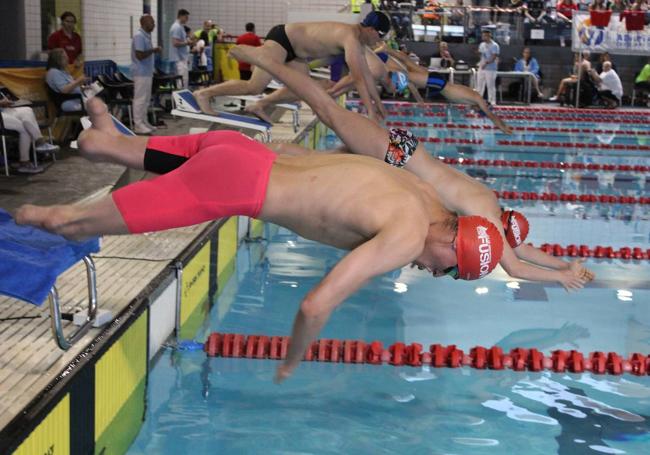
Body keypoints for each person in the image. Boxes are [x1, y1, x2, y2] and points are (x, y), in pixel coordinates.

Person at [15, 97, 505, 382]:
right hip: (234, 185)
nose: (434, 273)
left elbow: (325, 162)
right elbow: (316, 306)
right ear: (451, 247)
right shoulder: (406, 235)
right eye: (448, 270)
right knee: (64, 222)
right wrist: (292, 361)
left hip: (242, 152)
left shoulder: (418, 188)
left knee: (102, 146)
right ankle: (21, 213)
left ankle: (101, 123)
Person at [230, 43, 595, 291]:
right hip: (395, 155)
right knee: (328, 110)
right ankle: (264, 61)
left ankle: (253, 149)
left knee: (317, 163)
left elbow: (522, 252)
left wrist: (564, 265)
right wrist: (560, 279)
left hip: (401, 158)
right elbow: (514, 265)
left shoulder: (490, 205)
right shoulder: (484, 216)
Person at [193, 12, 392, 123]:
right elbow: (359, 78)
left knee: (305, 89)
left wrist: (379, 106)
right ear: (372, 30)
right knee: (254, 87)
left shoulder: (358, 40)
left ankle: (261, 105)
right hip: (283, 40)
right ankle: (204, 94)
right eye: (379, 36)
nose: (378, 41)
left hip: (296, 55)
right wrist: (371, 112)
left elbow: (365, 76)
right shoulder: (351, 38)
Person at [0, 98, 59, 174]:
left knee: (27, 110)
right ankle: (25, 162)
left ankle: (40, 142)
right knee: (24, 128)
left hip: (3, 110)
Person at [131, 14, 161, 135]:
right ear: (144, 22)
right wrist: (154, 50)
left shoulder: (147, 36)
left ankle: (144, 121)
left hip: (147, 72)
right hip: (140, 73)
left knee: (146, 99)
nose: (154, 24)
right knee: (140, 99)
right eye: (152, 22)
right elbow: (139, 55)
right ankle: (138, 125)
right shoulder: (139, 36)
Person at [476, 30, 499, 106]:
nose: (483, 37)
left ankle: (492, 101)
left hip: (490, 69)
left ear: (489, 36)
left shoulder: (494, 45)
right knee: (479, 85)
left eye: (485, 36)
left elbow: (493, 57)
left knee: (490, 85)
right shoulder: (482, 44)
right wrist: (480, 62)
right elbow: (481, 55)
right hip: (482, 67)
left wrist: (486, 63)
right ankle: (479, 100)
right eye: (483, 36)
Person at [169, 9, 191, 88]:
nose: (187, 19)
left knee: (184, 82)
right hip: (178, 60)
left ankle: (182, 99)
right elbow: (175, 43)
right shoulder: (176, 27)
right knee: (181, 82)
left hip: (182, 58)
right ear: (180, 16)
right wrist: (187, 43)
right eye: (186, 17)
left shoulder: (180, 27)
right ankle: (179, 100)